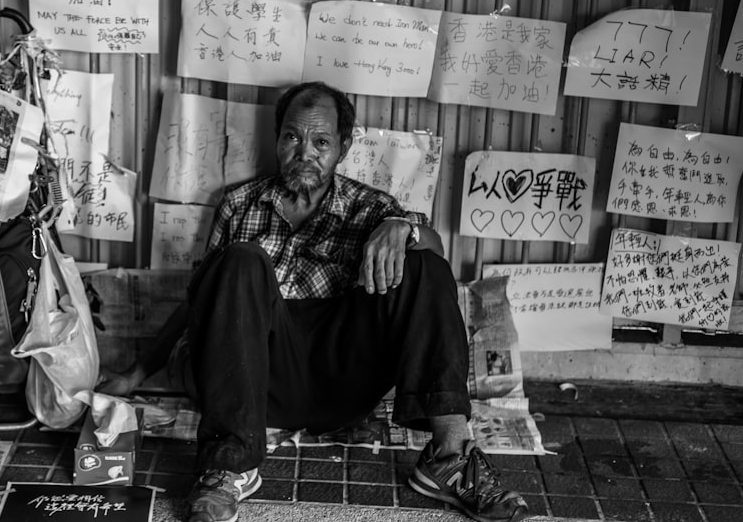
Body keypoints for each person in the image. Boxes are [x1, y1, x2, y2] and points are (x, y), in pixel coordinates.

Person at [99, 81, 527, 522]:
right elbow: (201, 302)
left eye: (321, 141)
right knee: (241, 259)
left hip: (340, 381)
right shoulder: (239, 205)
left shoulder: (371, 208)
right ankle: (228, 465)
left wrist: (406, 229)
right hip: (257, 384)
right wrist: (135, 373)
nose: (305, 152)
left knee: (425, 264)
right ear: (277, 139)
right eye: (292, 137)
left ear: (342, 147)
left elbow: (431, 251)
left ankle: (449, 457)